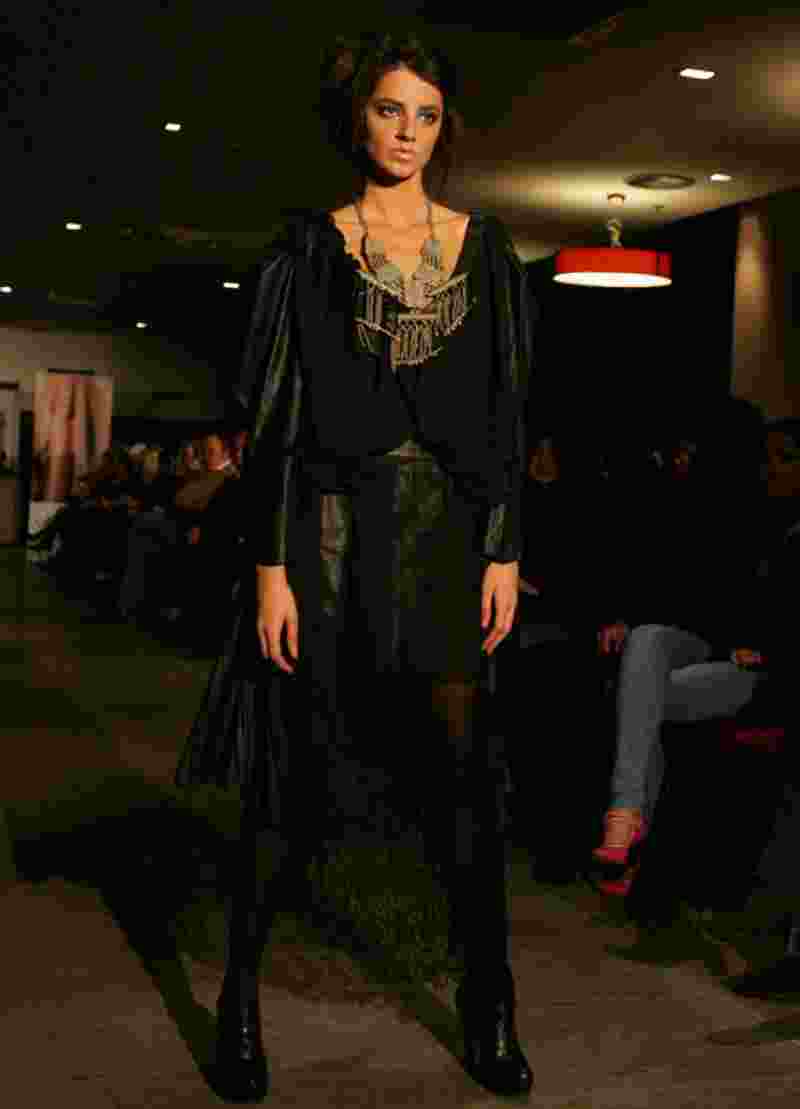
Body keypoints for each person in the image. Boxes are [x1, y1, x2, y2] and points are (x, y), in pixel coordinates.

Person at [175, 32, 534, 1101]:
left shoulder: (485, 248)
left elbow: (506, 411)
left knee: (466, 781)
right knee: (285, 779)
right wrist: (270, 566)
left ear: (444, 126)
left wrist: (504, 544)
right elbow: (275, 421)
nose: (407, 133)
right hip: (327, 527)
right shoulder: (308, 247)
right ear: (357, 117)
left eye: (425, 114)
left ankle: (491, 1003)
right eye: (389, 110)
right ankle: (240, 1006)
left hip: (446, 532)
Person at [593, 415, 768, 892]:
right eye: (678, 450)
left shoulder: (768, 523)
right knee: (646, 640)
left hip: (748, 669)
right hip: (695, 647)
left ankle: (628, 843)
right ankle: (626, 816)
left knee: (639, 699)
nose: (679, 459)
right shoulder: (687, 509)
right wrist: (625, 619)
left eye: (690, 451)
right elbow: (667, 591)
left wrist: (767, 645)